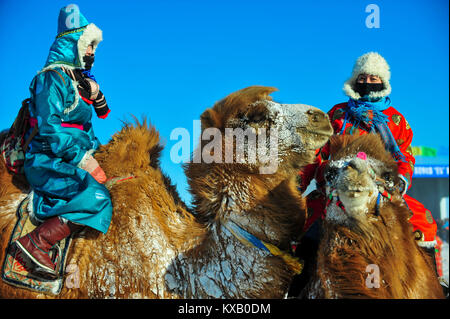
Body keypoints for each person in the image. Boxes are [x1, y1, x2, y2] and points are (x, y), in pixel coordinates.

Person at [299, 52, 437, 257]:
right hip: (335, 186)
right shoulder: (337, 114)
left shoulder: (396, 120)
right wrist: (299, 182)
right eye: (362, 78)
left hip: (380, 187)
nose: (367, 82)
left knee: (422, 222)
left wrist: (399, 180)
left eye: (373, 78)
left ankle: (432, 283)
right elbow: (316, 150)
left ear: (383, 82)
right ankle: (297, 283)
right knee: (303, 222)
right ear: (354, 81)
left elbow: (405, 156)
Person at [15, 5, 113, 278]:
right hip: (48, 158)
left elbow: (88, 127)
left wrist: (94, 149)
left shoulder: (76, 81)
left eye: (95, 47)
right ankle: (37, 243)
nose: (92, 52)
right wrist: (86, 161)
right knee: (97, 196)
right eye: (88, 45)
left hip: (70, 155)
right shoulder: (50, 79)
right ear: (72, 44)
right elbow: (50, 129)